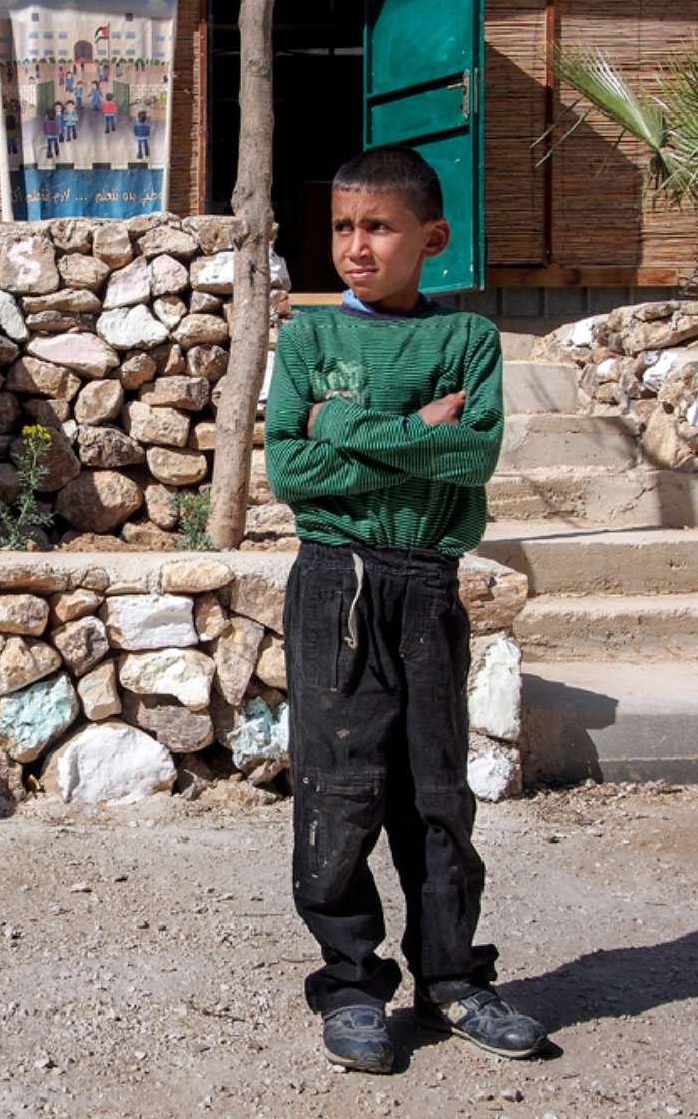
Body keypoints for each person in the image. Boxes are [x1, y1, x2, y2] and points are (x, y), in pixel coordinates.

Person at [264, 145, 550, 1075]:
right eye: (343, 226)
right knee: (338, 793)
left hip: (425, 584)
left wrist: (344, 426)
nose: (355, 245)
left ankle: (453, 978)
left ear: (431, 237)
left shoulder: (466, 340)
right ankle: (351, 987)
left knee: (435, 796)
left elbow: (471, 462)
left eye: (377, 226)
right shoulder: (309, 339)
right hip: (333, 585)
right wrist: (416, 429)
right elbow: (291, 469)